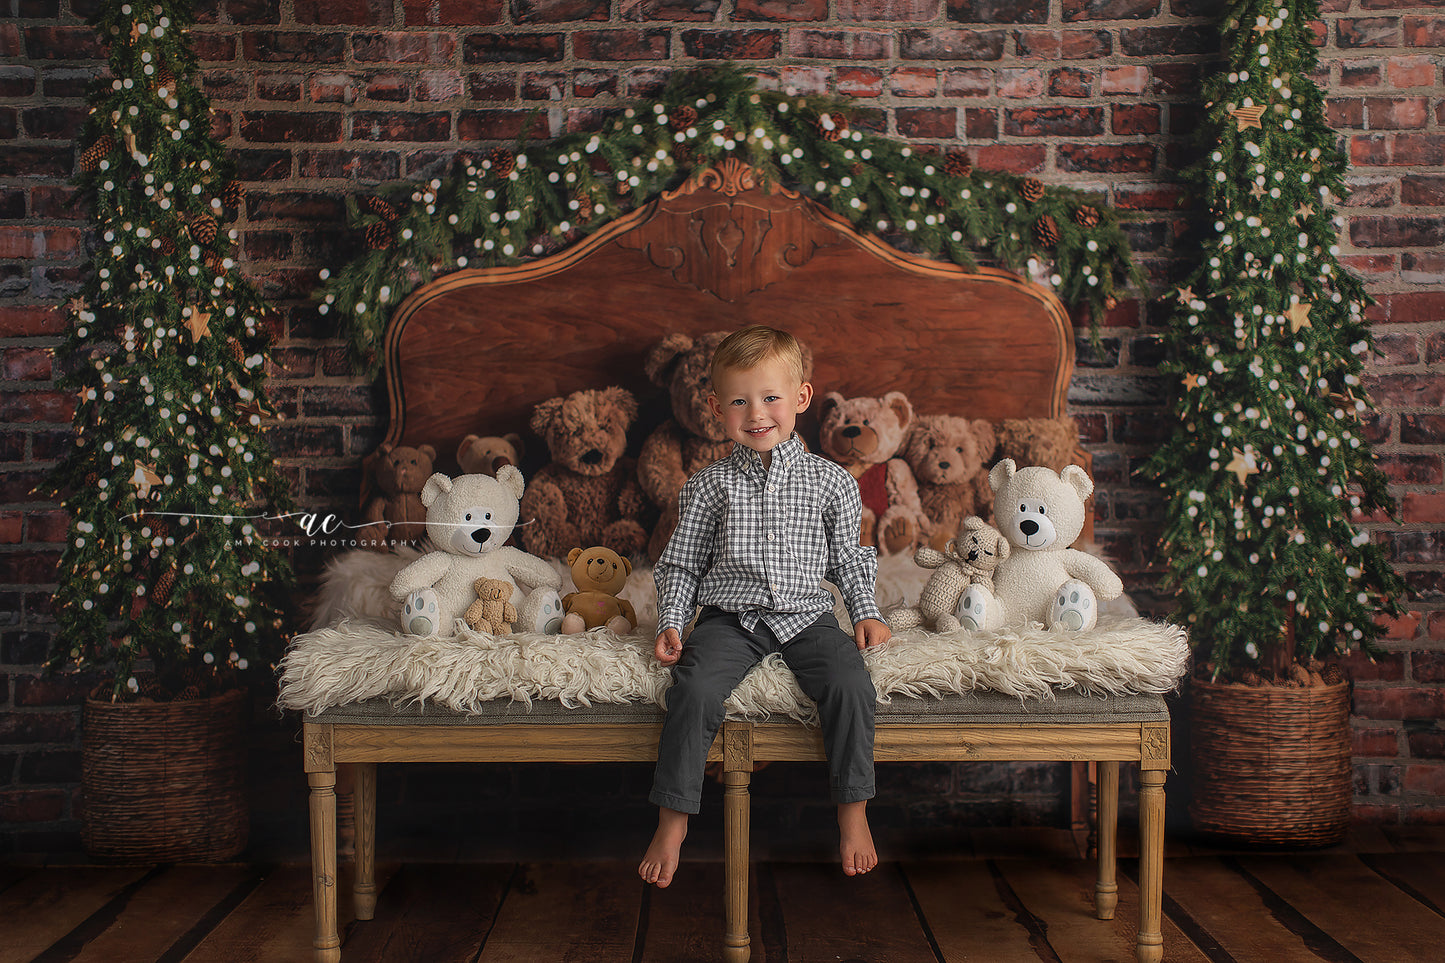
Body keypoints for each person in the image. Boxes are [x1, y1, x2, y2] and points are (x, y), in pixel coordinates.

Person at [638, 324, 891, 889]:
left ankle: (854, 814)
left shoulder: (831, 483)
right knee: (695, 689)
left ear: (801, 397)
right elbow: (681, 564)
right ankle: (673, 820)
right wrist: (673, 621)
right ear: (714, 408)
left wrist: (865, 611)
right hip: (733, 619)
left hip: (807, 614)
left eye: (771, 397)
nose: (757, 412)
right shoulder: (708, 487)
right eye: (739, 400)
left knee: (851, 686)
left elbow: (850, 558)